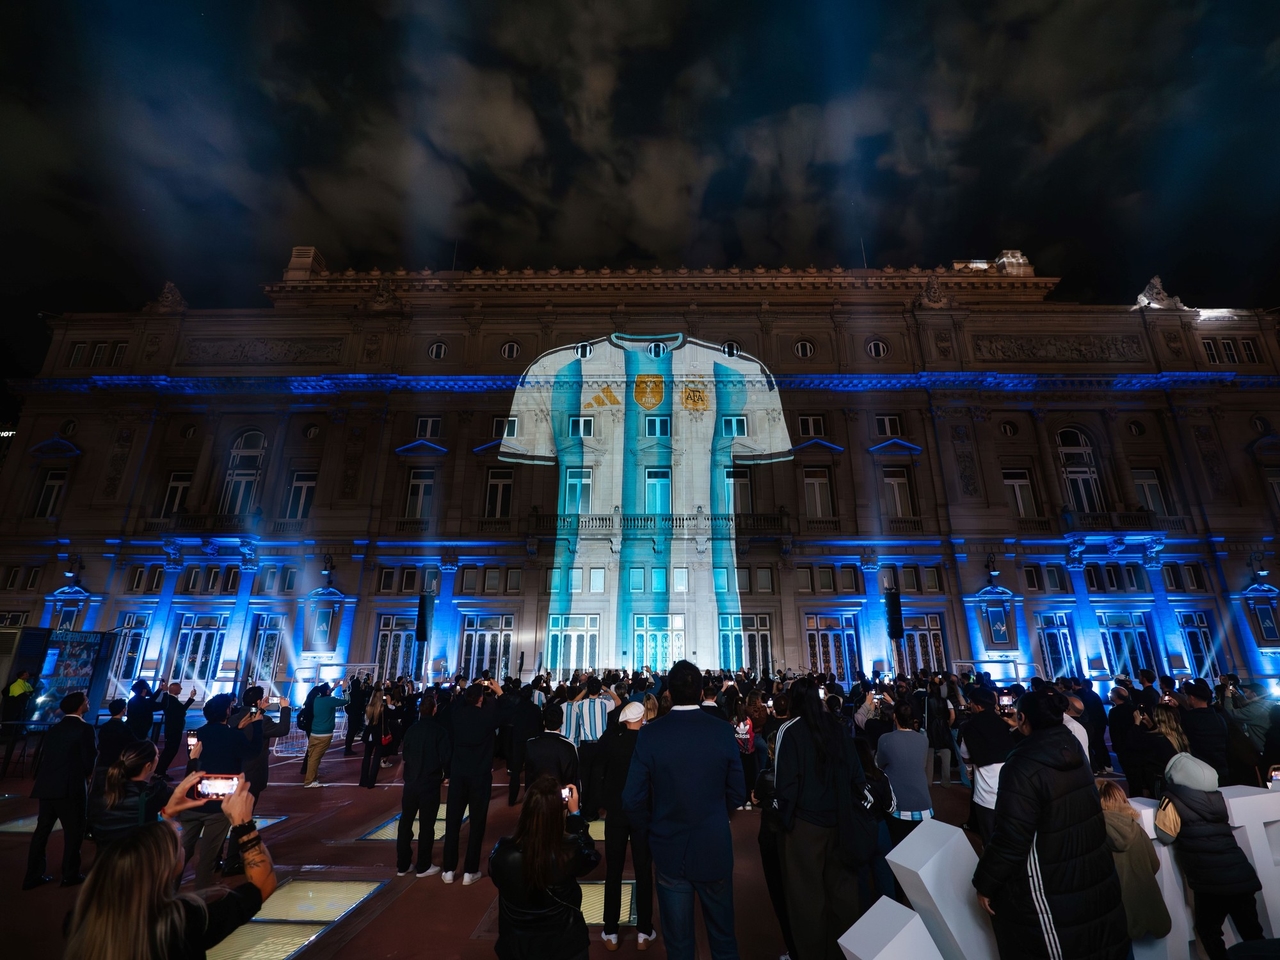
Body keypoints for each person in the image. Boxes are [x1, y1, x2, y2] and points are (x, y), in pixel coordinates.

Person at [973, 688, 1129, 960]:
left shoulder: (1022, 765)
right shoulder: (1073, 745)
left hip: (1052, 882)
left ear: (1021, 718)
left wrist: (986, 883)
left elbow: (1011, 838)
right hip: (1089, 868)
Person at [64, 779, 277, 960]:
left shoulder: (81, 918)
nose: (180, 834)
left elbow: (143, 851)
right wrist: (243, 823)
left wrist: (165, 815)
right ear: (167, 869)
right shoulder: (182, 922)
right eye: (178, 841)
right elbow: (262, 884)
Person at [623, 659, 744, 960]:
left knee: (678, 946)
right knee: (723, 939)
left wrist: (653, 827)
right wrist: (716, 812)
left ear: (669, 693)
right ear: (702, 691)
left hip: (669, 846)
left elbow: (631, 799)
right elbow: (738, 791)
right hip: (713, 844)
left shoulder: (651, 734)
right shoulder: (721, 731)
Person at [774, 682, 867, 960]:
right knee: (843, 897)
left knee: (806, 900)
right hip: (840, 822)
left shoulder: (789, 731)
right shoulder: (836, 727)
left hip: (806, 827)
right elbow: (856, 776)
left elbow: (784, 785)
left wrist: (786, 822)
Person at [1155, 751, 1263, 959]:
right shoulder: (1217, 797)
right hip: (1241, 873)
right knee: (1253, 933)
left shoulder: (1172, 799)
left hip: (1211, 880)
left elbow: (1165, 835)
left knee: (1208, 931)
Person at [489, 776, 601, 960]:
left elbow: (497, 877)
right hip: (564, 945)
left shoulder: (502, 851)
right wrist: (575, 817)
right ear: (558, 813)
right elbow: (591, 857)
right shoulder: (569, 853)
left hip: (517, 945)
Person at [180, 693, 262, 889]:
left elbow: (206, 752)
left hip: (192, 800)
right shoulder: (234, 736)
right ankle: (201, 900)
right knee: (208, 856)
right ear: (227, 711)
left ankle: (166, 893)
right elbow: (253, 751)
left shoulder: (196, 734)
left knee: (182, 853)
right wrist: (256, 725)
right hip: (219, 803)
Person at [442, 678, 513, 884]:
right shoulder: (487, 717)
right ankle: (469, 871)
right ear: (482, 698)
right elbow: (507, 714)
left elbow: (455, 704)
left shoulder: (457, 715)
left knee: (453, 821)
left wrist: (472, 688)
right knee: (477, 822)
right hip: (479, 775)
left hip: (458, 774)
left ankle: (448, 869)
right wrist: (499, 692)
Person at [23, 691, 97, 889]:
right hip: (71, 787)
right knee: (74, 832)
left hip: (47, 785)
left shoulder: (54, 729)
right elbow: (89, 758)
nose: (88, 703)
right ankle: (69, 874)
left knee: (42, 831)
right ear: (80, 706)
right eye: (86, 701)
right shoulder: (85, 729)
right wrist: (87, 775)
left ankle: (33, 875)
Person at [598, 701, 656, 951]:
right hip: (642, 811)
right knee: (643, 870)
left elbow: (599, 769)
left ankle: (610, 930)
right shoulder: (647, 742)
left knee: (614, 870)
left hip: (617, 812)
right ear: (642, 718)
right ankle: (644, 931)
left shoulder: (612, 740)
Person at [1095, 779, 1171, 944]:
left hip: (1118, 918)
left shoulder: (1094, 834)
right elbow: (1154, 864)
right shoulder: (1135, 828)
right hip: (1151, 911)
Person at [89, 741, 206, 844]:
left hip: (105, 859)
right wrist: (193, 761)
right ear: (149, 766)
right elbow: (185, 795)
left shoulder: (105, 788)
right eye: (157, 756)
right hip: (138, 858)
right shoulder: (154, 793)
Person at [398, 694, 452, 877]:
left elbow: (405, 755)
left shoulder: (411, 731)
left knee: (406, 822)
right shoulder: (439, 731)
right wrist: (447, 775)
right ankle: (423, 864)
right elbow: (446, 756)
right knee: (427, 825)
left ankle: (403, 864)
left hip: (411, 782)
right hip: (429, 782)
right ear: (434, 709)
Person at [956, 686, 1016, 845]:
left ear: (977, 705)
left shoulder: (969, 727)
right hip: (1012, 789)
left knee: (989, 839)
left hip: (986, 794)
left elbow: (966, 756)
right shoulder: (1007, 723)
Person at [875, 701, 932, 846]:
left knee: (898, 848)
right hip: (924, 803)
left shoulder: (885, 739)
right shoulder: (923, 739)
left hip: (898, 806)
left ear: (894, 717)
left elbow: (879, 765)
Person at [566, 676, 617, 820]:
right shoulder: (604, 703)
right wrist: (606, 689)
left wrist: (585, 691)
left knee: (585, 778)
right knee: (598, 778)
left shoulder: (581, 705)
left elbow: (572, 702)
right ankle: (594, 809)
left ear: (588, 689)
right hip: (601, 745)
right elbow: (618, 701)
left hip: (586, 746)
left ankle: (584, 806)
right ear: (599, 689)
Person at [1180, 678, 1229, 781]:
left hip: (1201, 768)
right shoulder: (1219, 716)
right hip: (1222, 764)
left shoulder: (1189, 718)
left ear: (1192, 698)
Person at [524, 703, 580, 790]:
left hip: (536, 797)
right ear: (562, 722)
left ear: (544, 721)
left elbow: (528, 777)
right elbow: (573, 779)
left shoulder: (530, 744)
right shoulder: (569, 746)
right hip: (559, 798)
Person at [302, 679, 346, 787]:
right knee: (315, 758)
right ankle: (309, 781)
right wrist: (344, 689)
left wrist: (333, 688)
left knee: (312, 756)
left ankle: (312, 777)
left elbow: (325, 694)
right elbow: (346, 700)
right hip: (324, 734)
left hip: (314, 732)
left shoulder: (315, 699)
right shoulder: (330, 700)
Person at [91, 698, 136, 798]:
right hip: (117, 764)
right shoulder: (125, 728)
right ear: (123, 710)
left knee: (99, 791)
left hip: (102, 762)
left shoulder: (104, 726)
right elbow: (133, 743)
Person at [507, 686, 543, 805]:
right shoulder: (536, 709)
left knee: (515, 772)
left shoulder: (516, 708)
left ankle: (512, 799)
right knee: (530, 771)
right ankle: (529, 798)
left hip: (518, 741)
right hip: (531, 742)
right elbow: (540, 726)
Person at [154, 682, 197, 778]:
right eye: (180, 688)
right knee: (170, 751)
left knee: (169, 750)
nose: (181, 689)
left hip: (172, 729)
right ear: (176, 689)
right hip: (174, 729)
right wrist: (191, 698)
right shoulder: (171, 700)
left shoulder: (170, 700)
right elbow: (182, 710)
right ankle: (160, 771)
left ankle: (160, 770)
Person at [359, 690, 388, 789]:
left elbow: (366, 721)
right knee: (376, 758)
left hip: (369, 734)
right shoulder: (383, 708)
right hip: (378, 734)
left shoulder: (368, 707)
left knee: (366, 756)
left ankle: (363, 780)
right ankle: (371, 782)